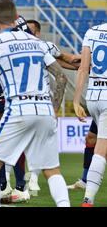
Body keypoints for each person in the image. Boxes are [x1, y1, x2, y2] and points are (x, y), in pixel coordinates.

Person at [0, 0, 70, 207]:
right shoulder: (37, 42)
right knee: (52, 170)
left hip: (19, 108)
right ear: (16, 18)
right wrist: (54, 111)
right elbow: (61, 78)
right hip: (44, 109)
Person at [0, 0, 33, 203]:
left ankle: (12, 186)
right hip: (12, 84)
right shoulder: (18, 22)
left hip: (11, 86)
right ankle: (12, 185)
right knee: (0, 133)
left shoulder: (7, 25)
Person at [25, 19, 81, 195]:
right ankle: (19, 181)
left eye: (31, 31)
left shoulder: (46, 46)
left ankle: (31, 179)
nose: (28, 34)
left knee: (41, 142)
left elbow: (66, 60)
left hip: (42, 101)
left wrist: (86, 64)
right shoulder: (19, 46)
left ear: (38, 33)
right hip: (21, 101)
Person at [73, 22, 107, 207]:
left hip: (93, 97)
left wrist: (77, 100)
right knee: (101, 151)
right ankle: (88, 199)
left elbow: (83, 68)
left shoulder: (92, 31)